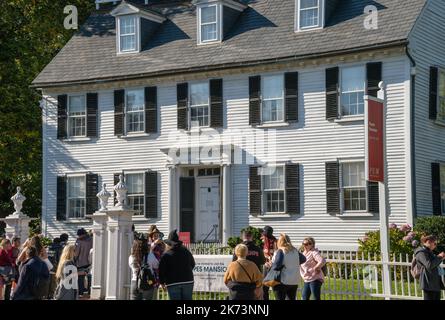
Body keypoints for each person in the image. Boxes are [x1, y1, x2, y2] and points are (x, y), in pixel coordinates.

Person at [159, 230, 195, 300]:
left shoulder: (166, 255)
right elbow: (193, 264)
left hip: (172, 282)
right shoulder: (186, 251)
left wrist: (162, 282)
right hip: (188, 280)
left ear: (169, 244)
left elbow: (161, 270)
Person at [271, 234, 306, 300]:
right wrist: (293, 263)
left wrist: (271, 265)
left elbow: (276, 266)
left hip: (282, 281)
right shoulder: (295, 251)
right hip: (294, 280)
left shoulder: (280, 251)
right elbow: (304, 259)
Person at [414, 235, 445, 300]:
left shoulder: (428, 251)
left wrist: (440, 258)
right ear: (428, 242)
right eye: (435, 243)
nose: (435, 245)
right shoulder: (421, 252)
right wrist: (439, 257)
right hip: (428, 282)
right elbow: (429, 265)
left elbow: (434, 263)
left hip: (435, 282)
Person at [148, 225, 165, 300]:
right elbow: (149, 250)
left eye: (157, 235)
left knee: (156, 288)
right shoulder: (150, 244)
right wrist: (154, 243)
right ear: (151, 237)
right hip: (151, 270)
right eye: (154, 235)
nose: (156, 237)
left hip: (159, 269)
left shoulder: (161, 245)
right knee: (151, 288)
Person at [74, 228, 93, 297]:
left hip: (80, 262)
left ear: (81, 234)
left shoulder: (79, 241)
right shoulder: (92, 239)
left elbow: (76, 252)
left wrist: (74, 260)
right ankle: (89, 291)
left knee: (80, 278)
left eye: (79, 235)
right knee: (89, 277)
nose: (78, 236)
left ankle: (81, 293)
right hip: (90, 261)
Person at [261, 226, 277, 300]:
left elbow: (277, 254)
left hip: (273, 266)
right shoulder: (264, 240)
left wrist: (271, 261)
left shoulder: (275, 242)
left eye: (265, 233)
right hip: (266, 266)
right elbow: (264, 253)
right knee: (264, 287)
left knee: (274, 286)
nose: (263, 235)